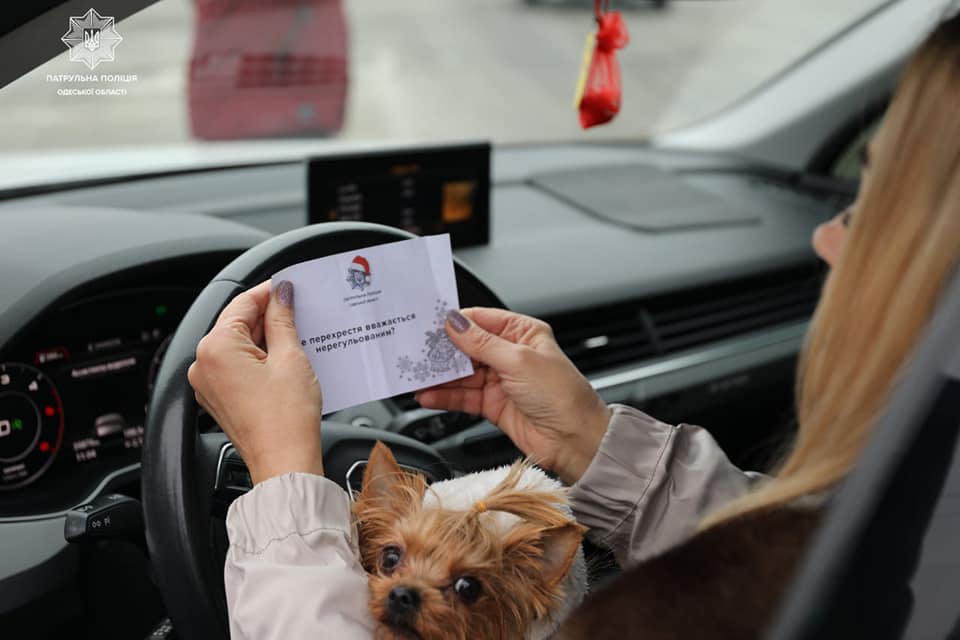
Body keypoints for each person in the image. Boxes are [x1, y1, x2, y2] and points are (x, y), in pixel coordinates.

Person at [186, 14, 960, 640]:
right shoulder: (917, 521)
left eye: (869, 208)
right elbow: (799, 558)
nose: (825, 236)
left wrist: (284, 478)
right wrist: (592, 440)